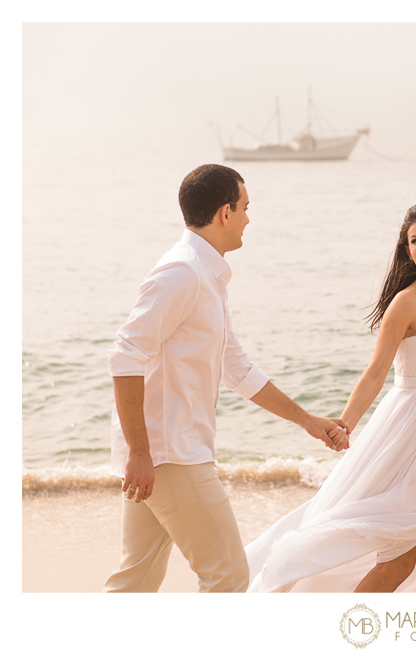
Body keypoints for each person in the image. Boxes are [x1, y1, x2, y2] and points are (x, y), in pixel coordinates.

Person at [103, 164, 348, 593]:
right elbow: (126, 356)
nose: (249, 219)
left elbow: (238, 368)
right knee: (228, 576)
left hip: (162, 452)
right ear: (224, 213)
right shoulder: (182, 272)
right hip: (168, 454)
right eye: (246, 208)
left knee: (134, 582)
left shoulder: (206, 275)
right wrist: (140, 452)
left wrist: (308, 421)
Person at [245, 202, 416, 593]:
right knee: (398, 565)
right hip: (410, 443)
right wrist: (345, 424)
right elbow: (376, 373)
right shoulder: (405, 302)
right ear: (407, 250)